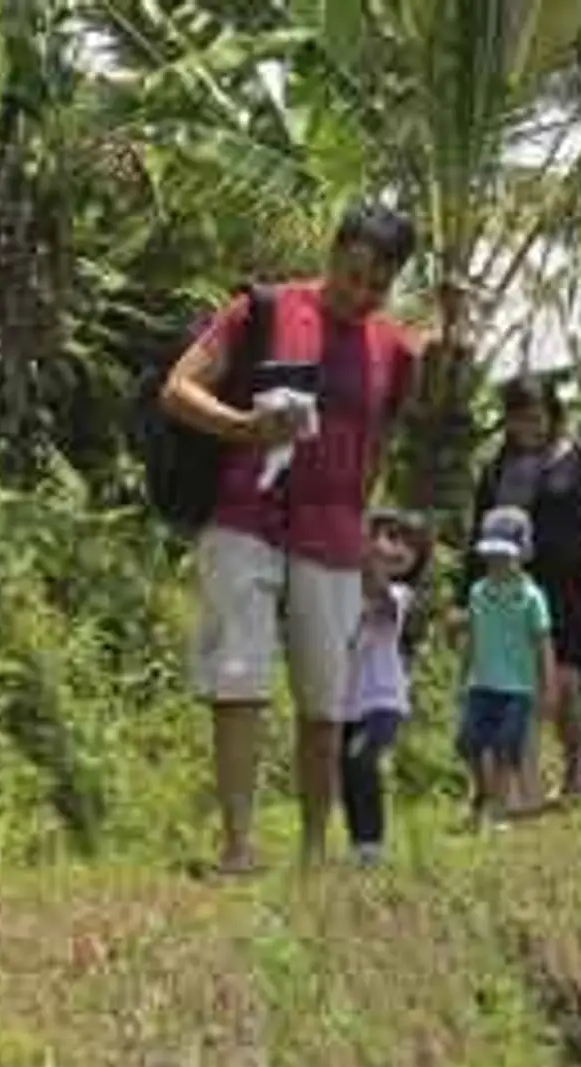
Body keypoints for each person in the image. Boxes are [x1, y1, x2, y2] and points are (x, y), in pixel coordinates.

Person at [159, 201, 421, 875]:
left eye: (378, 285)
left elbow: (378, 450)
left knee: (325, 700)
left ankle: (311, 853)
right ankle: (239, 848)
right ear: (333, 251)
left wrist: (364, 542)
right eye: (352, 272)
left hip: (332, 534)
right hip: (247, 514)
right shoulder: (265, 310)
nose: (360, 293)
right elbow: (179, 389)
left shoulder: (394, 348)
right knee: (239, 678)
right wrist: (244, 428)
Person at [459, 376, 581, 800]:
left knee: (563, 682)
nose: (527, 426)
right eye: (517, 418)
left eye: (535, 416)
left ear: (552, 415)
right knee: (512, 687)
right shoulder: (496, 470)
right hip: (512, 591)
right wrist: (465, 597)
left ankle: (575, 766)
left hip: (575, 590)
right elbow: (480, 533)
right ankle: (515, 781)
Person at [339, 509, 430, 866]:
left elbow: (384, 604)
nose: (395, 549)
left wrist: (369, 553)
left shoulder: (400, 593)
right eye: (390, 537)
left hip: (383, 700)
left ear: (418, 559)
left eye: (408, 545)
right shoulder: (344, 587)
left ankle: (371, 845)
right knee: (347, 770)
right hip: (346, 701)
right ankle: (358, 843)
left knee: (361, 758)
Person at [457, 507, 555, 827]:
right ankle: (481, 794)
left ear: (522, 553)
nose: (497, 563)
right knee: (468, 742)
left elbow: (543, 645)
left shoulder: (532, 597)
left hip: (518, 689)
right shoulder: (477, 592)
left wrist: (548, 688)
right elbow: (471, 637)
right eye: (492, 556)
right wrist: (463, 675)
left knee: (504, 750)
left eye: (505, 556)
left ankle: (500, 810)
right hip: (481, 684)